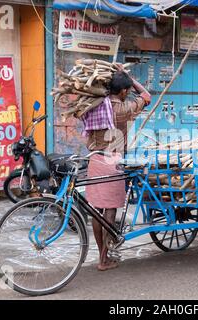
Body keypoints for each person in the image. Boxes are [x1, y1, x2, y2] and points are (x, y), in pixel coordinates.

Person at [83, 65, 151, 271]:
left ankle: (102, 256)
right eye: (127, 90)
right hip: (112, 161)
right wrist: (130, 78)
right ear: (122, 91)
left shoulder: (95, 104)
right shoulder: (121, 109)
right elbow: (146, 96)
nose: (129, 93)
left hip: (94, 159)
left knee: (96, 211)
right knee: (110, 210)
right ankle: (104, 260)